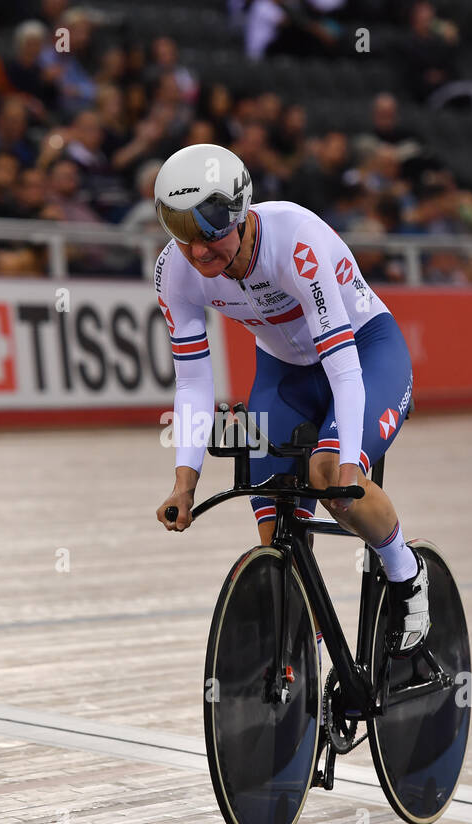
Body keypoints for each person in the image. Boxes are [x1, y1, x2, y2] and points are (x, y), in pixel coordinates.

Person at [153, 143, 431, 659]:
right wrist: (183, 485)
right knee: (272, 523)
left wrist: (349, 465)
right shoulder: (175, 270)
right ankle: (319, 657)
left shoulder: (294, 241)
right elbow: (192, 384)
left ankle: (405, 570)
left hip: (366, 350)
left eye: (209, 231)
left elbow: (345, 369)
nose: (198, 251)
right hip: (285, 372)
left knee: (330, 480)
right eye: (181, 231)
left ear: (239, 210)